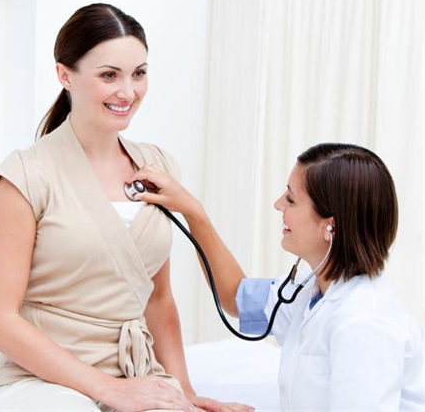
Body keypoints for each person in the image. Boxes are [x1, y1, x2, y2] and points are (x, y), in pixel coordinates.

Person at [0, 3, 253, 412]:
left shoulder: (157, 166)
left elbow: (158, 300)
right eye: (109, 75)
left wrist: (184, 392)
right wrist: (110, 390)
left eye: (138, 73)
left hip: (136, 372)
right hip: (42, 380)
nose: (128, 92)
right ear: (65, 75)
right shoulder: (26, 175)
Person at [129, 143, 425, 411]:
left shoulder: (365, 324)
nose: (278, 204)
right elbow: (236, 296)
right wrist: (193, 212)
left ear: (330, 227)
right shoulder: (313, 290)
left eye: (291, 199)